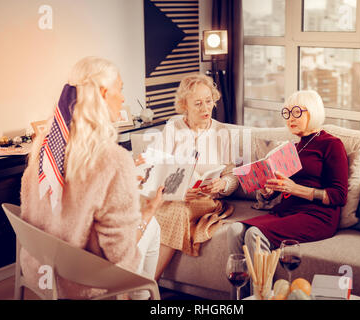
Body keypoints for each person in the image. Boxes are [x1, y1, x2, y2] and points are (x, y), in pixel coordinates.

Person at [19, 56, 163, 300]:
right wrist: (148, 212)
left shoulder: (45, 144)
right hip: (82, 283)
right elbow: (120, 256)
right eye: (121, 88)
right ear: (105, 93)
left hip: (39, 269)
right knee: (154, 226)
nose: (124, 98)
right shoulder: (114, 160)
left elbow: (37, 208)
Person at [227, 90, 348, 293]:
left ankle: (262, 296)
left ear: (313, 113)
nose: (290, 118)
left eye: (297, 112)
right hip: (287, 212)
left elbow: (339, 195)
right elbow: (283, 186)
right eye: (287, 113)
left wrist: (296, 189)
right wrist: (268, 191)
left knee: (255, 234)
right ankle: (239, 299)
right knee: (235, 230)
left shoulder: (331, 145)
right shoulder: (294, 147)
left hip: (318, 216)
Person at [148, 74, 239, 280]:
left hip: (206, 201)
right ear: (184, 105)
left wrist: (223, 184)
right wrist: (177, 191)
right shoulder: (173, 128)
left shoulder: (221, 131)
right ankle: (141, 282)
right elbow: (154, 168)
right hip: (173, 198)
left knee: (177, 212)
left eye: (209, 101)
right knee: (170, 210)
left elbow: (232, 174)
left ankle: (149, 283)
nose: (205, 108)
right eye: (197, 103)